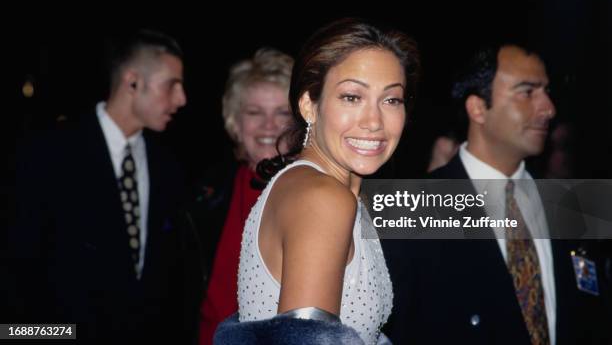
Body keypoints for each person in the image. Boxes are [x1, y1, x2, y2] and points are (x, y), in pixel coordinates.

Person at [384, 44, 610, 344]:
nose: (548, 108)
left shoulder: (571, 202)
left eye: (546, 91)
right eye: (527, 92)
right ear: (478, 108)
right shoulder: (415, 208)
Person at [214, 18, 420, 345]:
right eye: (352, 97)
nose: (374, 121)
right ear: (309, 105)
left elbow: (471, 213)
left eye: (391, 100)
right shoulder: (321, 197)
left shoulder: (334, 192)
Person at [12, 29, 192, 343]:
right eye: (171, 85)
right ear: (133, 81)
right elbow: (18, 273)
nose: (182, 98)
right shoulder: (48, 156)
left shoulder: (169, 167)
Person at [196, 48, 294, 345]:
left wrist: (436, 185)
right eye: (255, 113)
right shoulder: (201, 196)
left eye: (282, 113)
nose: (269, 125)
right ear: (234, 123)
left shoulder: (323, 189)